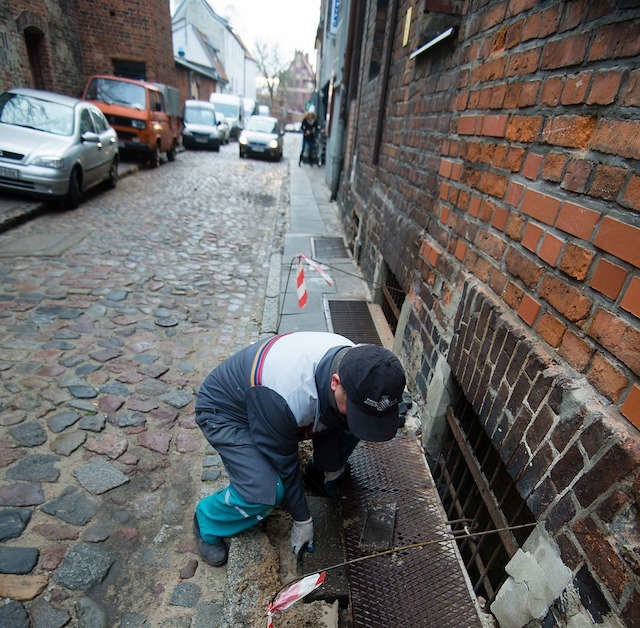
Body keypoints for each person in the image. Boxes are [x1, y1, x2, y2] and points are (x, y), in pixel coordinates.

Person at [192, 331, 407, 567]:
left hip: (275, 411)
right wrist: (302, 518)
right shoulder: (287, 395)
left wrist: (331, 466)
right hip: (227, 414)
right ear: (335, 382)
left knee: (352, 424)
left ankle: (319, 473)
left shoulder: (361, 364)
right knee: (266, 490)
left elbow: (341, 417)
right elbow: (284, 462)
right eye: (354, 407)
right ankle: (207, 521)